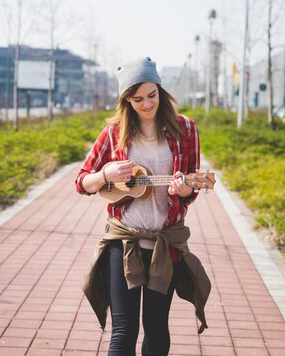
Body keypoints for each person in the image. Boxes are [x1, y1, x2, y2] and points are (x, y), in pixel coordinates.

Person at [75, 56, 211, 356]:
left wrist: (186, 188)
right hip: (122, 242)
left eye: (152, 95)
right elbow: (82, 181)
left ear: (161, 89)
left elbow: (189, 191)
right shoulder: (114, 132)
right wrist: (105, 174)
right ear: (126, 100)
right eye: (137, 99)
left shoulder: (186, 129)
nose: (147, 104)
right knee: (123, 333)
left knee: (157, 331)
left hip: (165, 243)